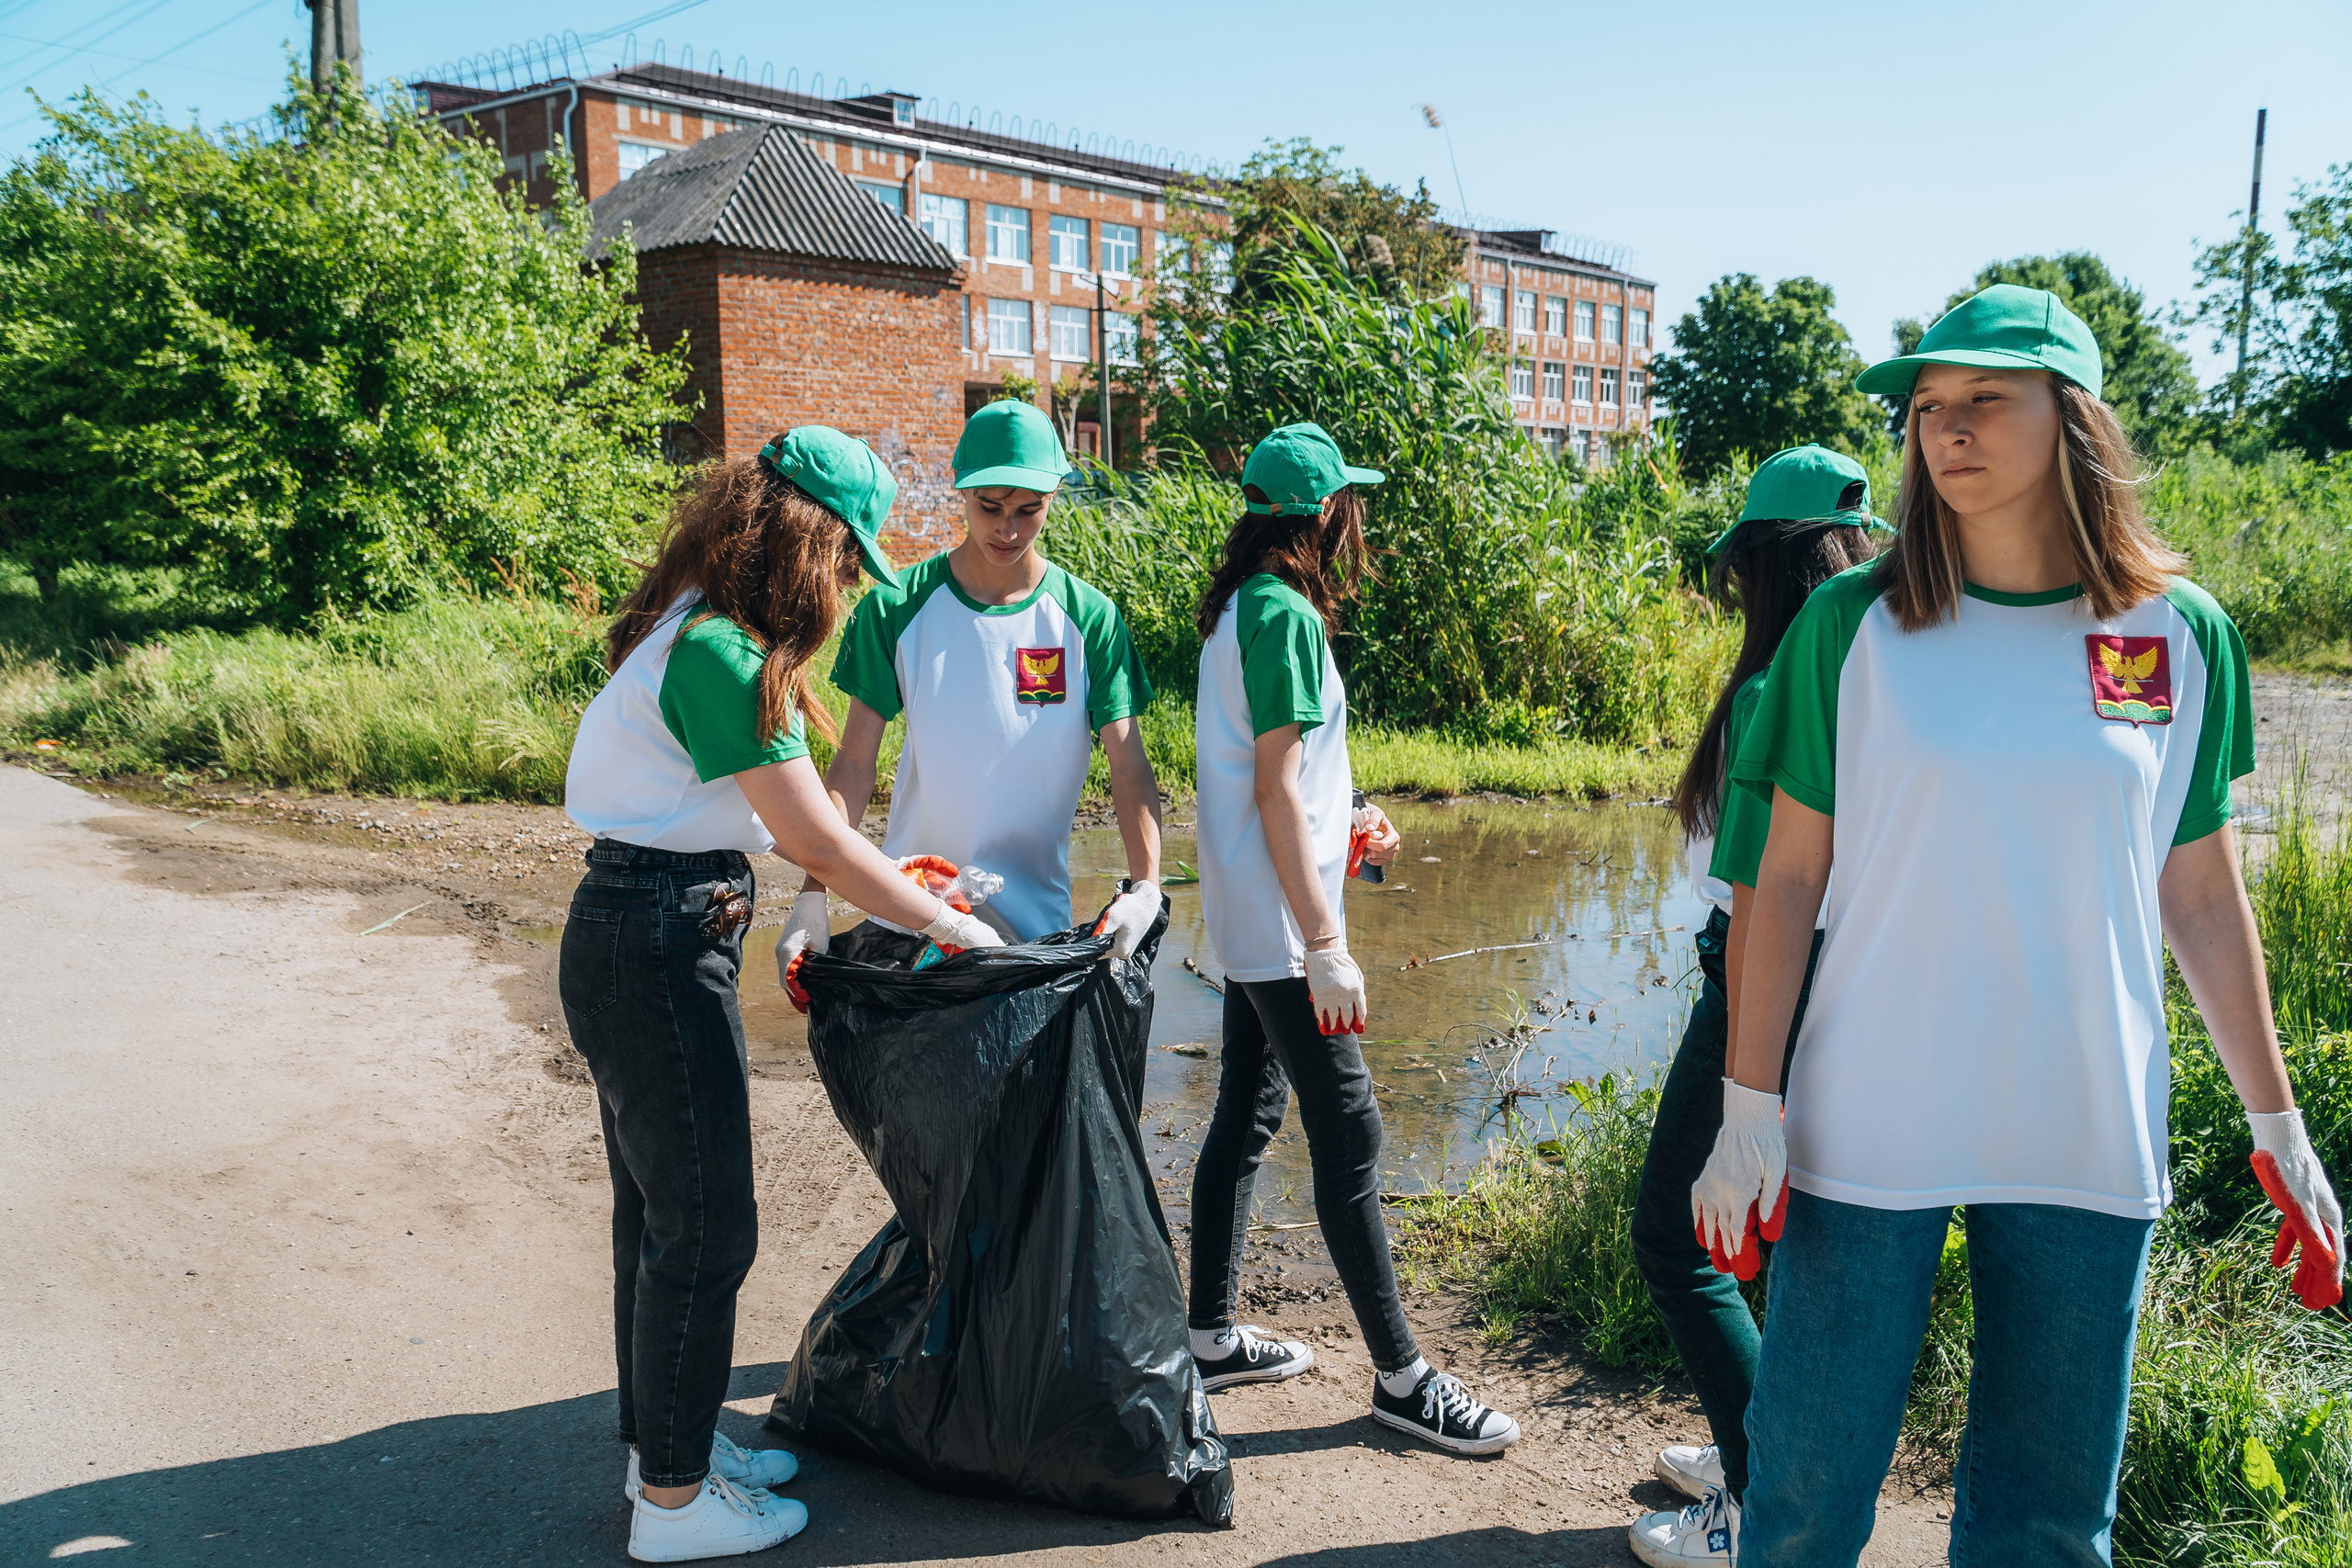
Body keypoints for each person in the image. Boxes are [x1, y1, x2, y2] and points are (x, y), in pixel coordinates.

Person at [1698, 286, 2346, 1565]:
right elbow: (1787, 875)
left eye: (1986, 398)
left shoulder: (2176, 632)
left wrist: (2277, 1119)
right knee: (1804, 1505)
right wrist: (1745, 1105)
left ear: (2075, 418)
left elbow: (2199, 890)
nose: (1948, 428)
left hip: (2084, 1126)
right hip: (1867, 1121)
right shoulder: (1852, 624)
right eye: (1929, 405)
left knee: (2048, 1529)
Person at [559, 427, 1005, 1563]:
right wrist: (947, 926)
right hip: (655, 940)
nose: (847, 583)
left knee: (658, 1217)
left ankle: (663, 1449)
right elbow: (815, 837)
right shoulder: (716, 650)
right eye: (846, 558)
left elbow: (793, 826)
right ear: (801, 538)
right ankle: (673, 1509)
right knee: (707, 1228)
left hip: (641, 927)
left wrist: (892, 890)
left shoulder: (694, 626)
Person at [1186, 421, 1521, 1457]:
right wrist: (1327, 938)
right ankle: (1404, 1379)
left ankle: (1208, 1338)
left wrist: (1352, 822)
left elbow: (1287, 781)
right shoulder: (1285, 614)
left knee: (1247, 1110)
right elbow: (1273, 788)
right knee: (1351, 1132)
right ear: (1327, 513)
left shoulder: (1240, 607)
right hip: (1287, 930)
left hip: (1255, 914)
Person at [1624, 446, 1886, 1567]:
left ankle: (1752, 1496)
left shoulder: (1776, 688)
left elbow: (1758, 899)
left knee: (1677, 1239)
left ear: (1763, 568)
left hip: (1760, 987)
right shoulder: (1876, 678)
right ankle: (1765, 1450)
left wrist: (1746, 1082)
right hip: (1851, 990)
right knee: (1780, 1248)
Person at [778, 398, 1162, 972]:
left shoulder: (1090, 618)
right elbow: (854, 763)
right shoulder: (895, 608)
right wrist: (813, 892)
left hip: (1038, 930)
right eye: (990, 507)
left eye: (1029, 510)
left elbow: (1129, 766)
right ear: (961, 489)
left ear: (1054, 496)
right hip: (915, 916)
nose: (1008, 529)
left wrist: (1146, 886)